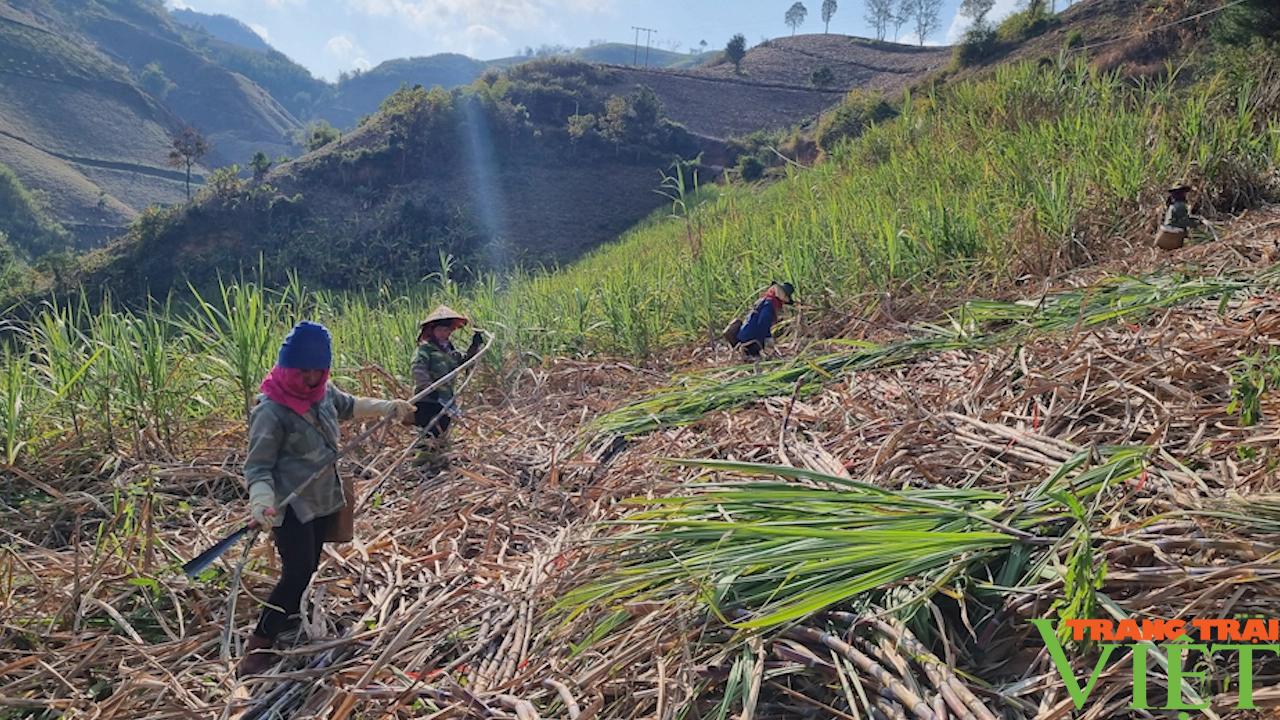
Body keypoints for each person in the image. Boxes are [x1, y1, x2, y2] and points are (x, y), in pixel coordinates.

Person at [238, 321, 415, 678]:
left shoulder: (322, 392)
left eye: (318, 372)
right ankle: (259, 644)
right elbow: (258, 467)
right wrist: (261, 501)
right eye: (304, 372)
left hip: (323, 498)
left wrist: (388, 407)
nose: (311, 379)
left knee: (309, 564)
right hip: (290, 507)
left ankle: (288, 620)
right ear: (288, 367)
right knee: (297, 570)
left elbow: (349, 405)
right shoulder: (271, 411)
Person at [410, 305, 484, 469]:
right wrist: (430, 389)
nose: (446, 333)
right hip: (428, 401)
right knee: (429, 435)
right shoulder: (425, 349)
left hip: (445, 400)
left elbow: (464, 364)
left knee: (442, 434)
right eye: (442, 330)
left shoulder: (450, 350)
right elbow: (418, 369)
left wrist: (475, 345)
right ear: (433, 331)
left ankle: (439, 465)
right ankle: (421, 468)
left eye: (448, 330)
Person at [734, 281, 795, 359]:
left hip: (745, 336)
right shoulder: (769, 304)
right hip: (749, 340)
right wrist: (768, 338)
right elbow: (763, 323)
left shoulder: (765, 300)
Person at [1155, 183, 1205, 250]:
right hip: (1172, 234)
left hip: (1164, 232)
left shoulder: (1172, 205)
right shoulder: (1180, 205)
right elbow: (1183, 221)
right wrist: (1196, 223)